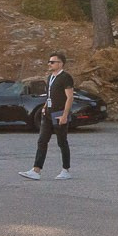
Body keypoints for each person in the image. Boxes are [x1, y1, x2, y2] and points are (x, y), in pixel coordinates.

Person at [19, 53, 74, 181]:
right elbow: (50, 95)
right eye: (49, 61)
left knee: (62, 142)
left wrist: (65, 115)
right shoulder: (50, 77)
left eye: (52, 62)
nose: (49, 64)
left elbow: (70, 97)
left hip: (59, 114)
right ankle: (36, 170)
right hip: (48, 114)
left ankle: (66, 170)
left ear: (60, 63)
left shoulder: (66, 77)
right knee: (42, 141)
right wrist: (44, 107)